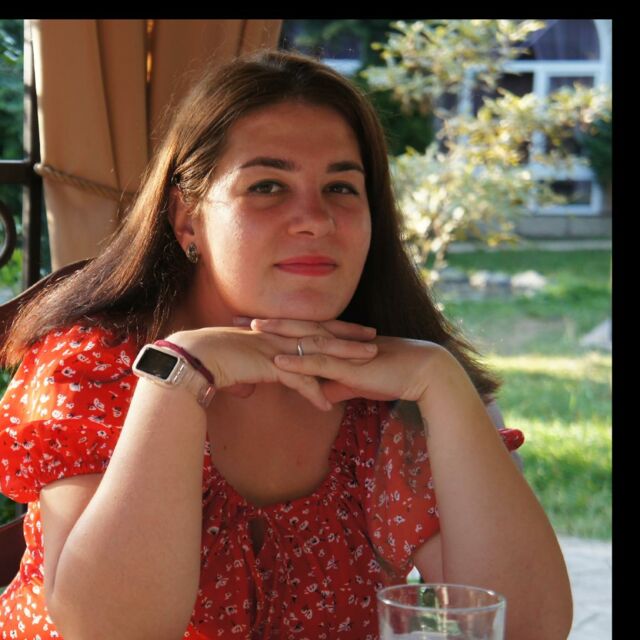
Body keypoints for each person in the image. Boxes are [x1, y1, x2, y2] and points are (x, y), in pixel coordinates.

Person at [0, 49, 572, 639]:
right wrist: (181, 374)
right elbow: (114, 631)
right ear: (188, 219)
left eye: (341, 187)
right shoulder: (95, 363)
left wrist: (442, 382)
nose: (316, 219)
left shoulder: (395, 389)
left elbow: (522, 628)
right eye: (268, 186)